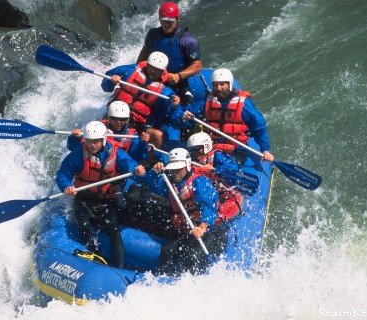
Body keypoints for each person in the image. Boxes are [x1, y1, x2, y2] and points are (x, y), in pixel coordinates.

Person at [56, 121, 146, 269]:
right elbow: (63, 174)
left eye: (96, 141)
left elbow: (130, 165)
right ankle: (95, 256)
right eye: (90, 141)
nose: (92, 145)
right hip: (83, 200)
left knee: (114, 229)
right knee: (84, 225)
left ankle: (119, 268)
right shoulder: (79, 153)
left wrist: (138, 170)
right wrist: (67, 186)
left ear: (103, 140)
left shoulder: (116, 153)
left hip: (105, 201)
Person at [145, 148, 235, 274]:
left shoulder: (199, 182)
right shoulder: (171, 183)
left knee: (193, 256)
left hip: (212, 231)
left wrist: (202, 226)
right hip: (191, 231)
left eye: (178, 169)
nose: (175, 172)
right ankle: (165, 281)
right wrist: (153, 172)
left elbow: (208, 205)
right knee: (167, 250)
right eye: (172, 169)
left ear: (187, 165)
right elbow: (153, 185)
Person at [175, 68, 275, 163]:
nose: (219, 88)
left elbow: (259, 127)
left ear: (230, 85)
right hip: (211, 145)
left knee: (223, 165)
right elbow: (186, 112)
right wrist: (183, 115)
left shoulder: (244, 105)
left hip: (235, 148)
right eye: (215, 85)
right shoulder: (207, 102)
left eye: (222, 84)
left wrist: (265, 149)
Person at [101, 51, 180, 149]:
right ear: (147, 64)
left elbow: (171, 116)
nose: (153, 72)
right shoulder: (129, 70)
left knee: (157, 135)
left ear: (163, 71)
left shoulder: (165, 91)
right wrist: (111, 80)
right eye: (151, 67)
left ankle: (150, 161)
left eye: (157, 70)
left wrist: (175, 106)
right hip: (115, 115)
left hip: (137, 123)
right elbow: (105, 87)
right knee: (98, 129)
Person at [136, 1, 202, 105]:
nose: (166, 24)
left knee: (187, 102)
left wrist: (178, 76)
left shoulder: (188, 40)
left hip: (177, 82)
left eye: (170, 21)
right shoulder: (153, 34)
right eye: (163, 21)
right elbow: (143, 56)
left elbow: (197, 65)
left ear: (177, 19)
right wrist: (137, 72)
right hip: (153, 78)